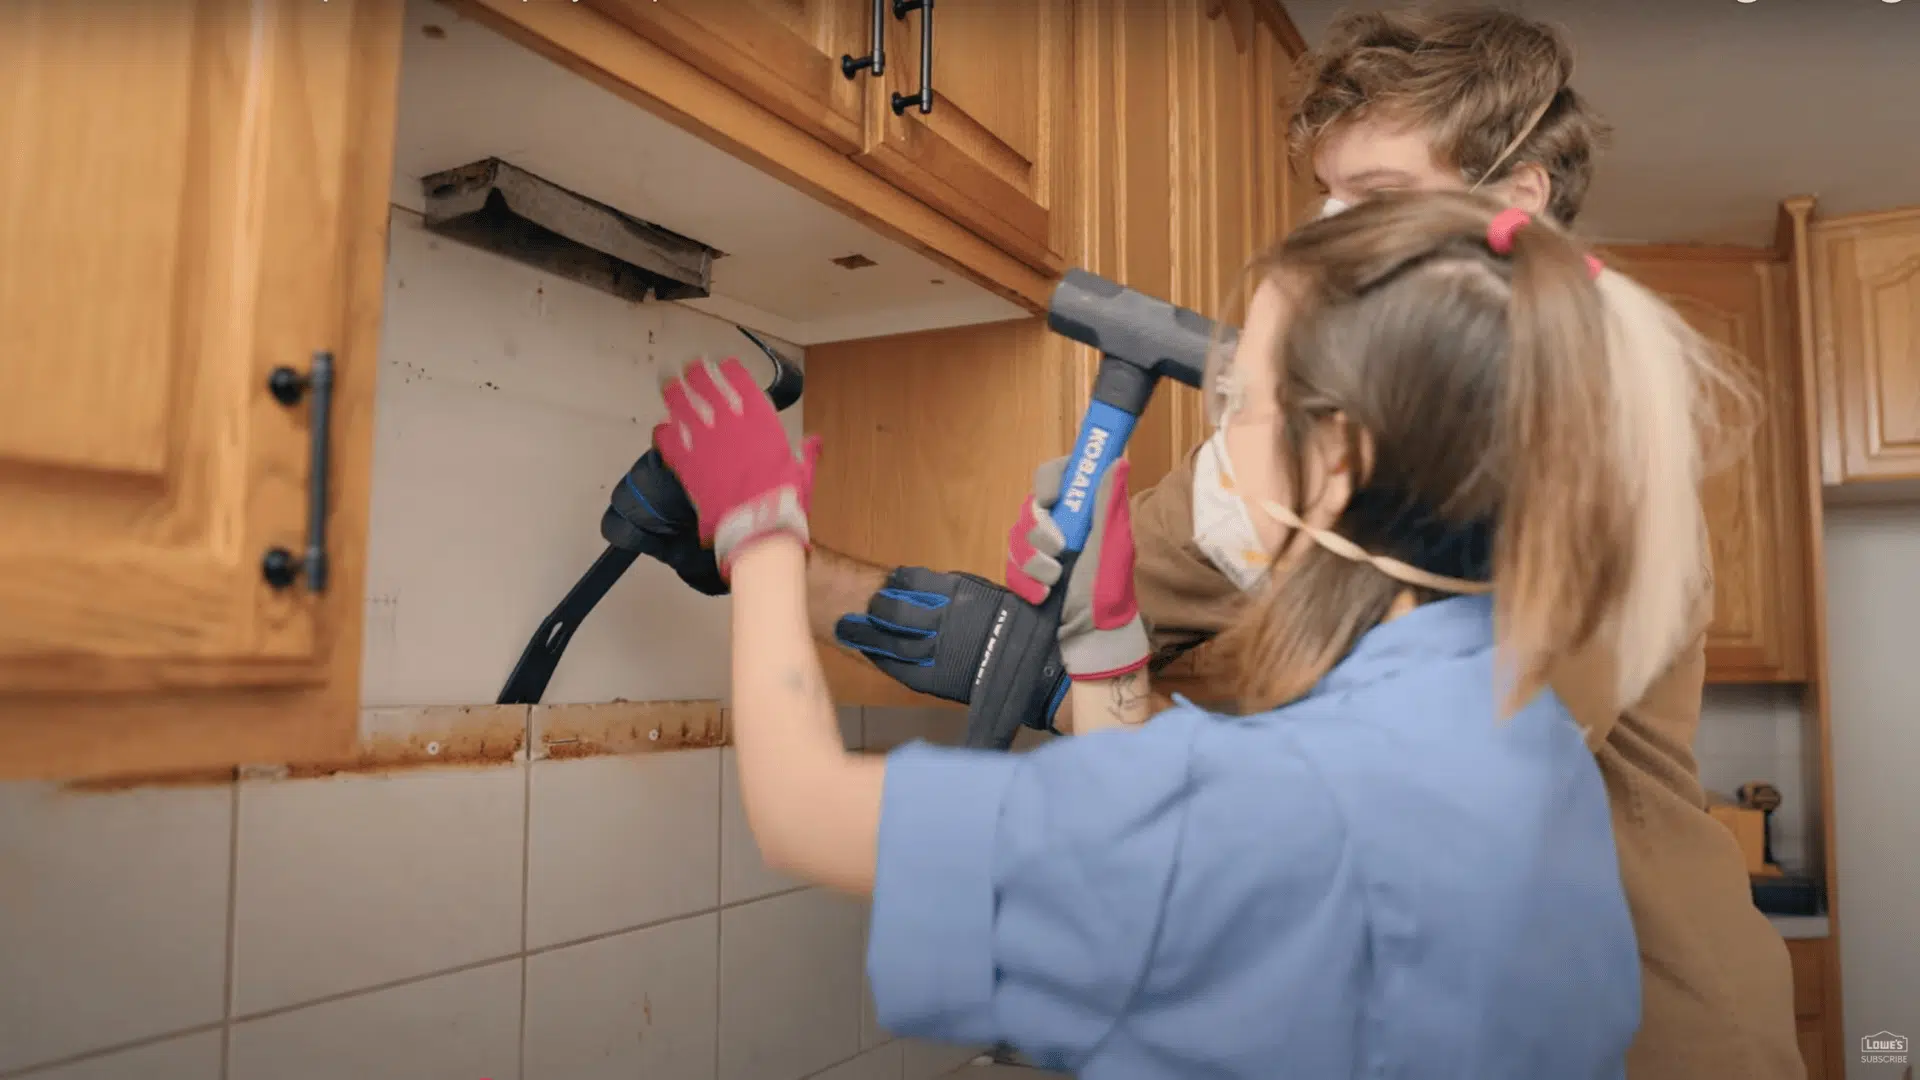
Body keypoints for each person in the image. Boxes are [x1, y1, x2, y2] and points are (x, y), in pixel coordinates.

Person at [617, 9, 1805, 1078]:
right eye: (1326, 198)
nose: (1332, 232)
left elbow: (822, 813)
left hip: (1660, 1037)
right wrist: (1084, 633)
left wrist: (763, 536)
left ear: (1518, 204)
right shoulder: (1314, 472)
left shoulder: (1590, 475)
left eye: (1377, 199)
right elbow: (1034, 649)